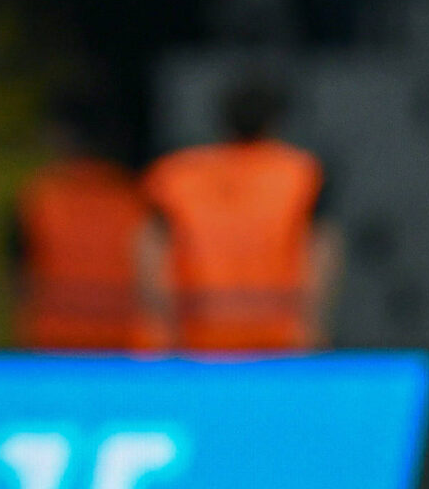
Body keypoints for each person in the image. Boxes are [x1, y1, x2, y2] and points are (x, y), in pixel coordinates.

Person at [139, 74, 340, 352]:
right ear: (275, 121)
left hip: (195, 333)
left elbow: (150, 250)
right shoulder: (301, 173)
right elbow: (320, 250)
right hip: (279, 335)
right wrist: (312, 323)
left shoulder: (177, 174)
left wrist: (162, 324)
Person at [10, 98, 162, 351]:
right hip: (124, 345)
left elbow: (17, 279)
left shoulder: (37, 198)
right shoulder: (134, 199)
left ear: (63, 136)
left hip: (56, 343)